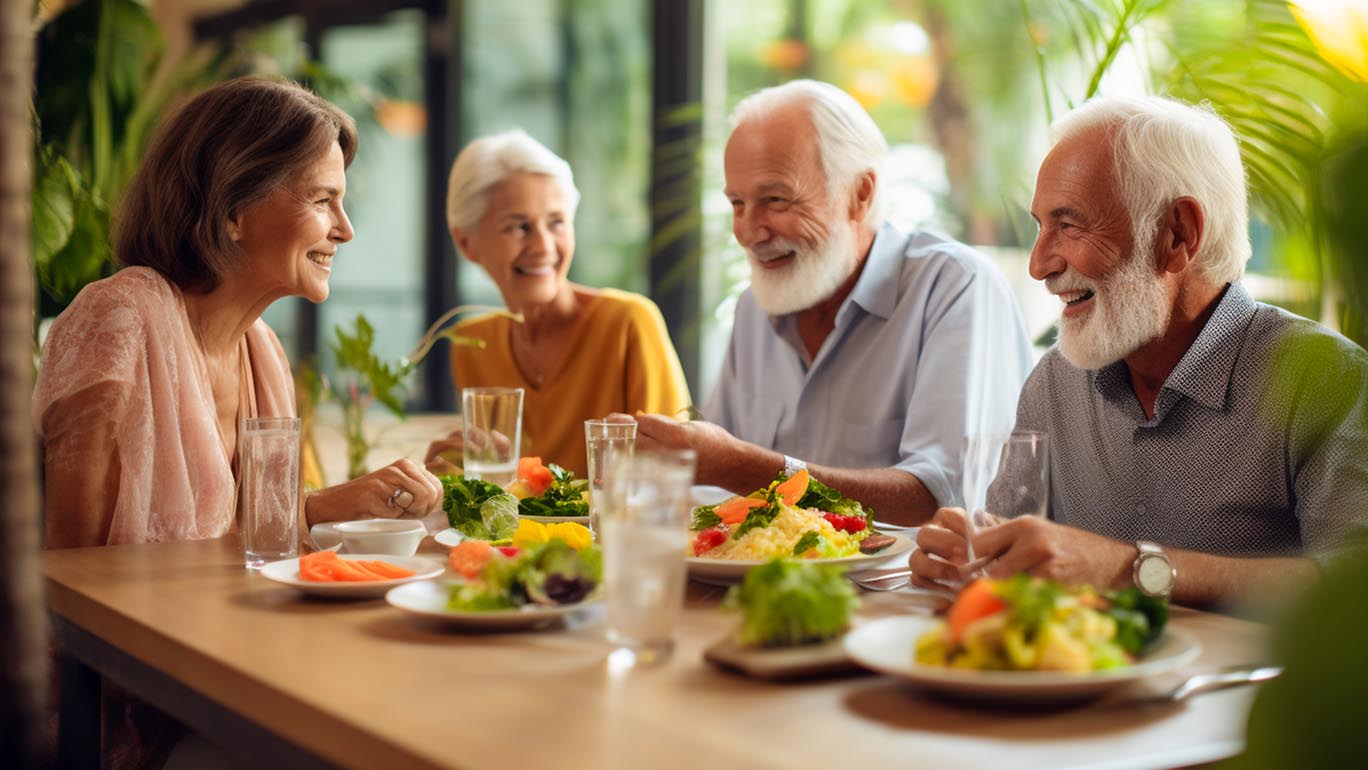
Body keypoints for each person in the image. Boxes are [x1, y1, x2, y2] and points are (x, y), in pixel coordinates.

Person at [910, 95, 1368, 608]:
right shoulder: (1055, 382)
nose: (1039, 265)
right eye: (1040, 225)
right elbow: (1016, 565)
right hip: (1089, 683)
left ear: (1178, 234)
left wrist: (1130, 569)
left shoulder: (1325, 378)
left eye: (1069, 224)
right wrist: (975, 554)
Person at [35, 76, 444, 551]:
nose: (345, 230)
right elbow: (71, 568)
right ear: (232, 211)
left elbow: (244, 536)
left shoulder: (261, 348)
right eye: (321, 200)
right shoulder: (118, 321)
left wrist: (346, 501)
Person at [632, 80, 1033, 524]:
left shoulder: (955, 288)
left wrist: (739, 466)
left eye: (775, 199)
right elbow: (712, 489)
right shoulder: (754, 308)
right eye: (737, 202)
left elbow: (943, 500)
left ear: (860, 194)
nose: (747, 230)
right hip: (762, 585)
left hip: (910, 591)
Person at [424, 130, 690, 477]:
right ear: (466, 243)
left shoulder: (628, 323)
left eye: (557, 222)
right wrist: (454, 473)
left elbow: (672, 473)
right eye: (519, 227)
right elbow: (501, 493)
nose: (544, 247)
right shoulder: (471, 345)